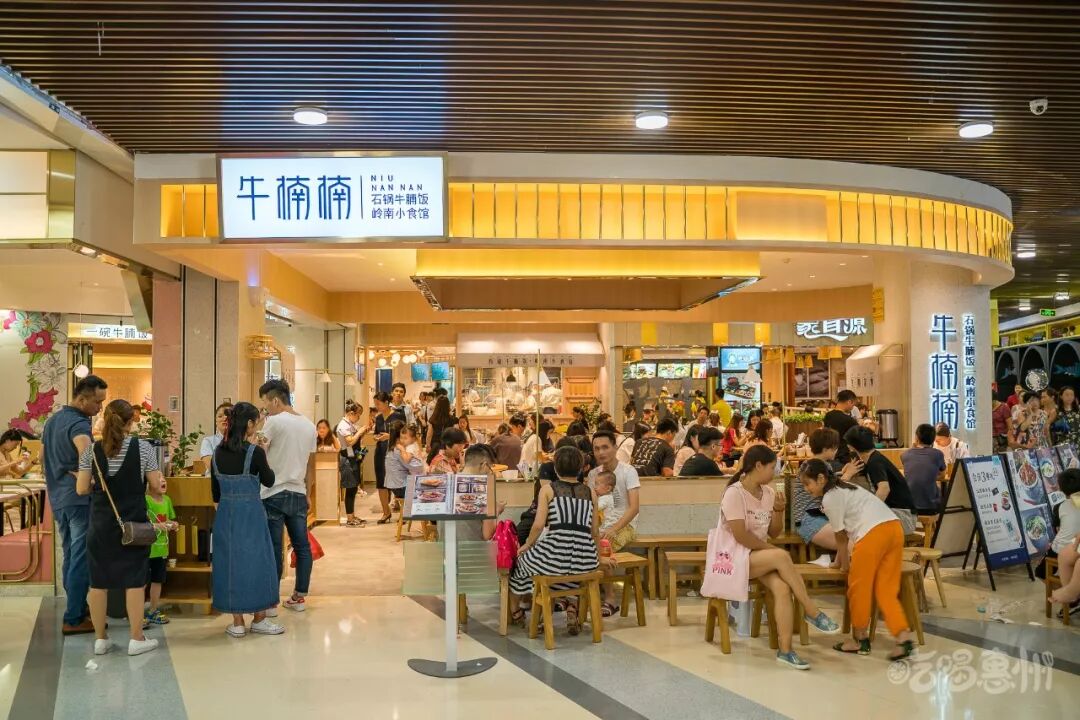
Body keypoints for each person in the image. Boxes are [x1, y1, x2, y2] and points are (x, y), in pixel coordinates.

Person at [719, 445, 840, 670]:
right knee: (781, 556)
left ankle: (786, 650)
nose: (775, 472)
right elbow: (740, 536)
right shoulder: (734, 493)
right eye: (772, 467)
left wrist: (778, 510)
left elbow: (774, 533)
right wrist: (770, 550)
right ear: (758, 466)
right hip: (733, 557)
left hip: (759, 557)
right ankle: (811, 610)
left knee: (782, 588)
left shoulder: (769, 493)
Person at [799, 458, 914, 660]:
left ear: (821, 479)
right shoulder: (847, 487)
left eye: (807, 484)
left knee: (859, 589)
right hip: (894, 529)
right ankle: (903, 638)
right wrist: (840, 562)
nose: (806, 489)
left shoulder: (829, 498)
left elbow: (841, 537)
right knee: (886, 590)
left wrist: (843, 564)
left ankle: (860, 640)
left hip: (871, 536)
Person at [75, 399, 162, 656]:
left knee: (98, 583)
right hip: (133, 526)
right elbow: (155, 485)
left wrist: (96, 483)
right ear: (131, 421)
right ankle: (136, 638)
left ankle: (101, 639)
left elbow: (81, 489)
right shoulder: (143, 448)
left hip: (101, 526)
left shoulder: (91, 451)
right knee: (135, 581)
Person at [210, 402, 283, 638]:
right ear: (249, 424)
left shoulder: (217, 453)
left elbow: (215, 493)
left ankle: (237, 622)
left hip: (225, 516)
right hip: (251, 514)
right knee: (258, 562)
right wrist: (264, 452)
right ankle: (259, 618)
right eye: (256, 422)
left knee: (230, 564)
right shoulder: (255, 452)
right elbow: (269, 480)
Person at [42, 373, 107, 635]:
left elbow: (42, 456)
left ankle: (77, 606)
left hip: (58, 498)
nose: (100, 408)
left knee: (71, 554)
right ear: (82, 400)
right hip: (78, 499)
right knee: (81, 557)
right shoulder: (79, 424)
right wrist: (86, 477)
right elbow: (86, 451)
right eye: (97, 402)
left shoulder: (53, 421)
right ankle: (74, 617)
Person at [509, 445, 600, 630]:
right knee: (571, 573)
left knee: (519, 565)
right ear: (581, 468)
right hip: (586, 560)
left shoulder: (548, 490)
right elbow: (595, 531)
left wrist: (527, 545)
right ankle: (572, 608)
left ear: (555, 468)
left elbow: (538, 525)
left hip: (554, 555)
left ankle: (516, 612)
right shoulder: (590, 492)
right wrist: (597, 556)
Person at [258, 379, 317, 613]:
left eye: (265, 402)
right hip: (298, 492)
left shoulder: (273, 422)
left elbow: (259, 453)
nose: (265, 408)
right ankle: (299, 597)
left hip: (273, 492)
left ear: (275, 400)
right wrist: (309, 492)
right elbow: (311, 465)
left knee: (274, 548)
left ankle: (271, 601)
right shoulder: (309, 425)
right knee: (302, 546)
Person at [588, 429, 641, 614]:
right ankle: (580, 595)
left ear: (615, 447)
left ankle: (610, 598)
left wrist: (613, 529)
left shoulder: (628, 471)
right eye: (596, 448)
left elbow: (634, 508)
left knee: (603, 545)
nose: (601, 452)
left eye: (605, 447)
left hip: (625, 526)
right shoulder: (593, 474)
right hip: (600, 526)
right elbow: (592, 506)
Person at [844, 426, 917, 533]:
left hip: (903, 517)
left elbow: (884, 489)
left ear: (852, 446)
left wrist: (869, 512)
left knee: (857, 523)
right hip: (898, 514)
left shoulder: (875, 462)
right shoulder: (873, 459)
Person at [791, 428, 846, 552]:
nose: (836, 450)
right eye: (834, 448)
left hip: (811, 518)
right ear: (826, 449)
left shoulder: (809, 464)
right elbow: (833, 490)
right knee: (851, 543)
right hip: (809, 519)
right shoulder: (818, 466)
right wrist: (848, 474)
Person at [144, 473, 177, 626]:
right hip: (146, 549)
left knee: (158, 580)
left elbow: (168, 519)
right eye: (158, 478)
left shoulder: (167, 500)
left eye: (164, 478)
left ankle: (153, 610)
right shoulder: (145, 500)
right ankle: (136, 612)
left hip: (162, 549)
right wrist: (157, 526)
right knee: (142, 582)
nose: (163, 480)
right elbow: (143, 524)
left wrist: (173, 524)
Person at [371, 391, 407, 524]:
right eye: (375, 404)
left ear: (386, 402)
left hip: (395, 454)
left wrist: (389, 436)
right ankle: (386, 512)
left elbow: (405, 436)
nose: (377, 406)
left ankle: (403, 513)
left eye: (378, 404)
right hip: (380, 453)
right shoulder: (379, 418)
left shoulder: (398, 416)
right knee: (381, 483)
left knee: (397, 483)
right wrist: (376, 437)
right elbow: (376, 433)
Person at [336, 401, 370, 528]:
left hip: (353, 458)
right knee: (350, 489)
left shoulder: (350, 424)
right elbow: (350, 441)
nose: (359, 418)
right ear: (351, 413)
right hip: (347, 460)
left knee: (354, 488)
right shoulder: (343, 425)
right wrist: (360, 432)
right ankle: (350, 519)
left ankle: (352, 515)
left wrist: (363, 431)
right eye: (358, 415)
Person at [1049, 470, 1080, 607]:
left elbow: (1058, 530)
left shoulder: (1060, 506)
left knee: (1077, 563)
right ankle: (1072, 594)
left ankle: (1072, 592)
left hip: (1061, 545)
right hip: (1072, 544)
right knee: (1065, 555)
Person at [902, 424, 947, 516]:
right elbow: (942, 475)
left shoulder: (905, 455)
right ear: (933, 439)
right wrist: (930, 476)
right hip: (931, 507)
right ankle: (940, 523)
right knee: (940, 493)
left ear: (916, 438)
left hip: (909, 505)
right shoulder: (937, 454)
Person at [385, 421, 425, 505]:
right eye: (402, 437)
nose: (403, 440)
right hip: (400, 485)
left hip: (394, 484)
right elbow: (417, 466)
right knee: (426, 491)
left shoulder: (392, 447)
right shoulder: (399, 449)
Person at [823, 390, 859, 464]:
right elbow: (858, 439)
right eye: (853, 405)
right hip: (844, 458)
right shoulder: (849, 420)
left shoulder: (828, 416)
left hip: (828, 455)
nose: (852, 408)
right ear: (849, 402)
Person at [199, 401, 233, 474]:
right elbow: (212, 467)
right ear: (216, 422)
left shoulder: (243, 441)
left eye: (228, 415)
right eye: (220, 416)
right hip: (214, 480)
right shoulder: (208, 441)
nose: (224, 418)